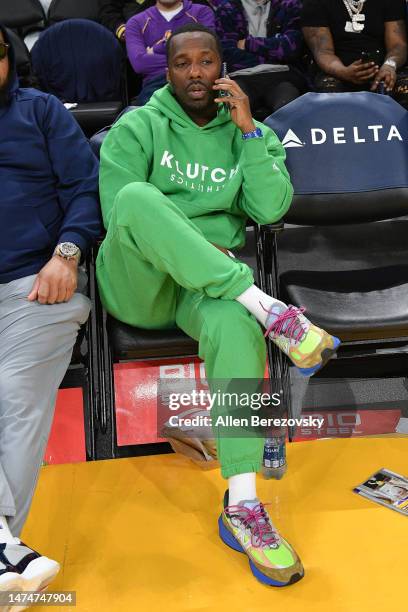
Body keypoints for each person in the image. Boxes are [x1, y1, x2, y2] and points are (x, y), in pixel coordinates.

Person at [96, 22, 340, 586]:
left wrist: (251, 133)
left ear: (221, 68)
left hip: (207, 290)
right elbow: (120, 215)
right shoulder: (137, 127)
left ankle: (244, 504)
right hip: (138, 281)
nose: (196, 74)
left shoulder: (246, 130)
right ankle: (271, 308)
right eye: (183, 64)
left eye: (206, 62)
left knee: (234, 326)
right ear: (168, 69)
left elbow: (270, 208)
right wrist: (227, 271)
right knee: (138, 195)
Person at [0, 25, 101, 595]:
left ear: (9, 57)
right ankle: (5, 550)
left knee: (14, 397)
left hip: (35, 287)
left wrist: (66, 254)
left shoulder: (40, 112)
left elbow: (85, 188)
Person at [301, 0, 408, 103]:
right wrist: (343, 72)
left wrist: (390, 65)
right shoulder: (315, 2)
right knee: (330, 93)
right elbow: (323, 52)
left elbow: (398, 45)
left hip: (383, 67)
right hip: (335, 69)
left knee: (404, 89)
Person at [215, 0, 307, 116]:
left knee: (289, 109)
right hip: (240, 76)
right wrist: (273, 54)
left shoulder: (289, 5)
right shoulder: (227, 8)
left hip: (282, 75)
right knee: (231, 109)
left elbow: (291, 48)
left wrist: (248, 44)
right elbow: (228, 54)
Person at [125, 0, 215, 104]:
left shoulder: (201, 12)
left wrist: (156, 49)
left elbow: (207, 53)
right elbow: (140, 64)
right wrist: (187, 58)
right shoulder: (135, 22)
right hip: (156, 83)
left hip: (198, 77)